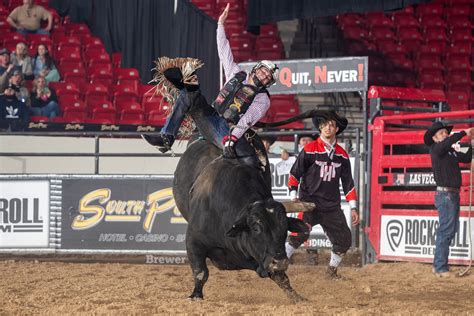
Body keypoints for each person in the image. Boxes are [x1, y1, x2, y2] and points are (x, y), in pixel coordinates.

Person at [142, 3, 278, 169]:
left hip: (226, 129)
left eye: (268, 77)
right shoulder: (237, 73)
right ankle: (166, 138)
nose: (264, 76)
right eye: (264, 71)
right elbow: (223, 51)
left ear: (268, 83)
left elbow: (246, 120)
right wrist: (220, 25)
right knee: (188, 94)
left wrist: (232, 139)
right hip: (211, 114)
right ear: (257, 68)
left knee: (249, 162)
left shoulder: (263, 99)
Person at [285, 111, 360, 279]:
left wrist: (354, 207)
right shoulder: (310, 149)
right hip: (309, 203)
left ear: (336, 129)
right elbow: (295, 173)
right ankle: (277, 266)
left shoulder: (342, 155)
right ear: (320, 127)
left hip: (331, 206)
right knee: (299, 234)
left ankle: (331, 272)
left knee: (344, 239)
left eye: (332, 124)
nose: (328, 127)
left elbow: (348, 183)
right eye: (325, 124)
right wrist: (293, 196)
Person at [424, 122, 473, 278]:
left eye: (445, 132)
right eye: (441, 133)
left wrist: (470, 144)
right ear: (434, 138)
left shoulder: (449, 151)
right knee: (446, 230)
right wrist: (464, 132)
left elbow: (465, 156)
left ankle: (439, 265)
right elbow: (448, 143)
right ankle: (440, 266)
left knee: (448, 230)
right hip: (446, 196)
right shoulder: (436, 149)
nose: (445, 134)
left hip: (451, 195)